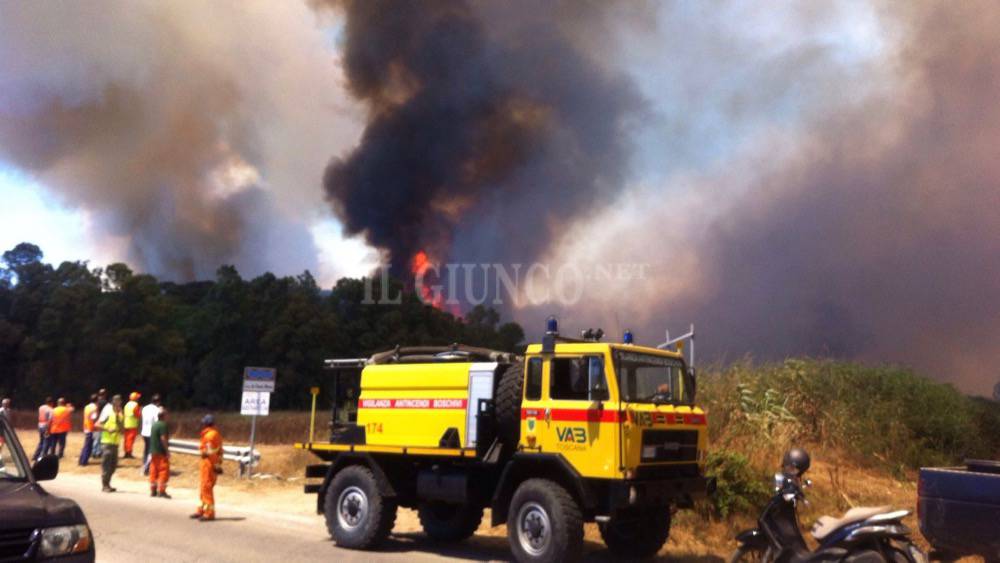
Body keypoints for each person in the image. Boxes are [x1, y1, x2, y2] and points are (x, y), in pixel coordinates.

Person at [190, 414, 222, 521]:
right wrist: (218, 464)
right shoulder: (215, 434)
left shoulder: (209, 436)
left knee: (206, 488)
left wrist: (204, 453)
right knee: (204, 488)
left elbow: (209, 452)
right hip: (211, 464)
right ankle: (202, 509)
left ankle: (209, 513)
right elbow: (219, 451)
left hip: (208, 464)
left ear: (206, 424)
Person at [94, 394, 123, 492]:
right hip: (106, 443)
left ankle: (108, 483)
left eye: (120, 401)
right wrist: (107, 429)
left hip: (115, 442)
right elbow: (97, 424)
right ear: (113, 402)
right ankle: (104, 485)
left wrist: (119, 419)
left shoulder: (120, 412)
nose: (119, 403)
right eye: (117, 401)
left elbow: (121, 427)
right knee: (106, 465)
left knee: (113, 466)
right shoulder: (107, 411)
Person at [148, 407, 171, 499]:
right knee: (163, 470)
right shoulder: (163, 425)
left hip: (153, 451)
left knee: (153, 470)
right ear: (163, 416)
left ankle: (153, 490)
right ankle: (161, 491)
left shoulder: (154, 425)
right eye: (166, 415)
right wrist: (167, 450)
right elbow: (163, 438)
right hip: (161, 451)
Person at [140, 394, 162, 475]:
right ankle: (146, 468)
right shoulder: (157, 410)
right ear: (158, 402)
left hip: (144, 431)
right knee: (151, 451)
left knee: (146, 450)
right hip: (152, 432)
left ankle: (144, 464)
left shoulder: (145, 408)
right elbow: (157, 421)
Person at [78, 394, 99, 466]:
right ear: (97, 400)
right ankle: (84, 461)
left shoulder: (87, 407)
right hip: (91, 428)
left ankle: (81, 459)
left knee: (86, 445)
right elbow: (93, 418)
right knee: (88, 446)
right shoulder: (94, 408)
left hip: (86, 427)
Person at [122, 392, 141, 459]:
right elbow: (137, 415)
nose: (138, 399)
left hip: (126, 423)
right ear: (135, 398)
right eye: (137, 398)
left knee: (126, 439)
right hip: (132, 424)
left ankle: (126, 452)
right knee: (131, 439)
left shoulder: (126, 405)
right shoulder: (136, 405)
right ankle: (129, 453)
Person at [92, 389, 107, 459]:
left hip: (96, 420)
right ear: (104, 394)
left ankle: (94, 452)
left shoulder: (96, 402)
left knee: (96, 437)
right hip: (102, 420)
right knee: (100, 438)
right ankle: (98, 452)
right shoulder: (104, 402)